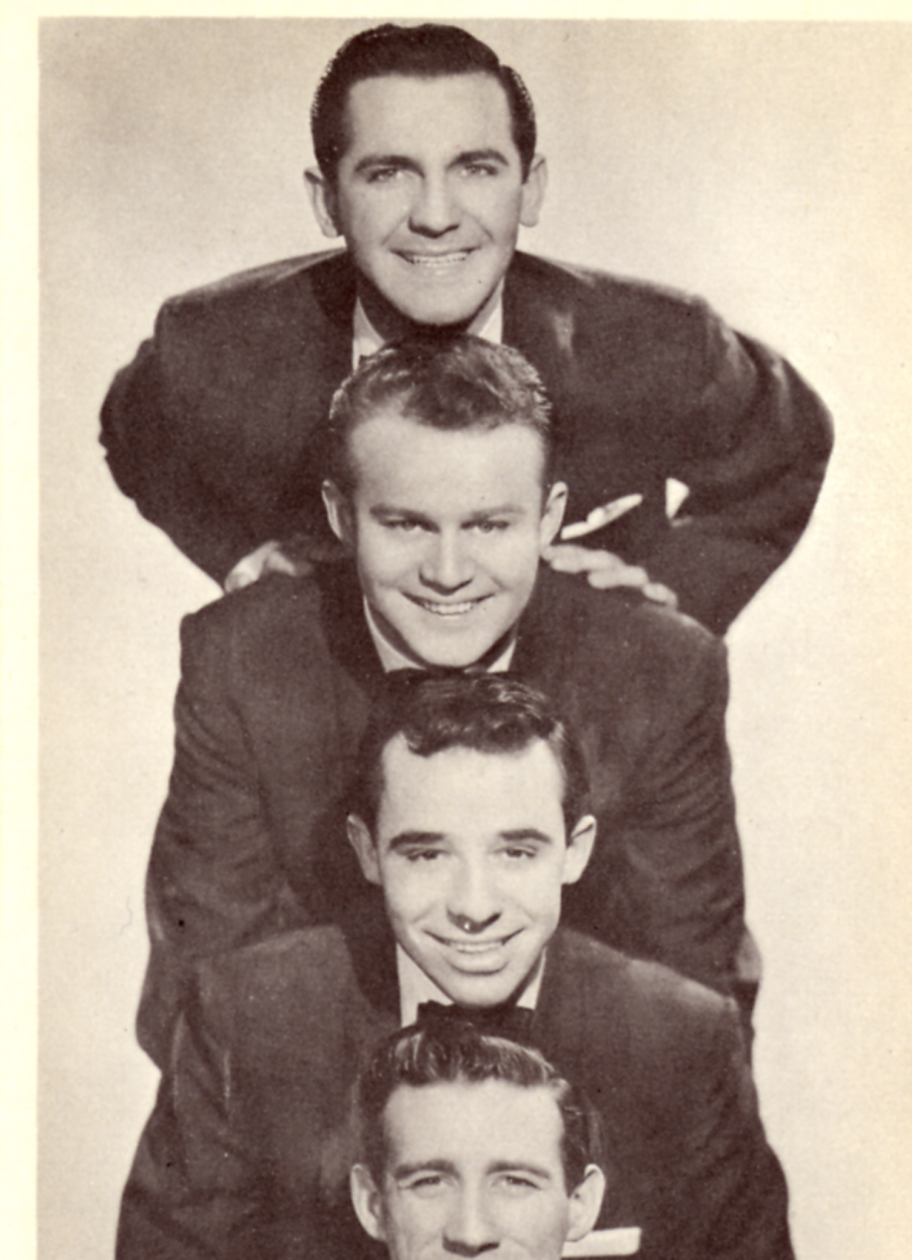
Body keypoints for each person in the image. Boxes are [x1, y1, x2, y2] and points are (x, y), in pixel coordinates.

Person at [111, 673, 816, 1260]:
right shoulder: (246, 1014)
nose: (473, 906)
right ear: (367, 850)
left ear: (574, 850)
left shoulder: (681, 1036)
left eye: (516, 852)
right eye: (425, 854)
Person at [136, 335, 749, 1071]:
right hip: (324, 1102)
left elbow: (688, 1016)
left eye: (489, 525)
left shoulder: (660, 670)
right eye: (406, 524)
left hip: (575, 1102)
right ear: (341, 516)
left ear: (549, 517)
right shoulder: (243, 657)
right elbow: (205, 998)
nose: (449, 573)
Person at [100, 22, 833, 636]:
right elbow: (136, 432)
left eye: (475, 169)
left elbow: (789, 447)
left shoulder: (654, 342)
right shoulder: (216, 341)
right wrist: (239, 553)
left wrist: (666, 597)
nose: (436, 215)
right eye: (388, 173)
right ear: (327, 203)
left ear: (529, 188)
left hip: (574, 712)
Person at [261, 1018, 733, 1260]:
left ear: (580, 1203)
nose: (472, 1233)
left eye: (514, 1182)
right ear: (372, 1205)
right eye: (430, 1181)